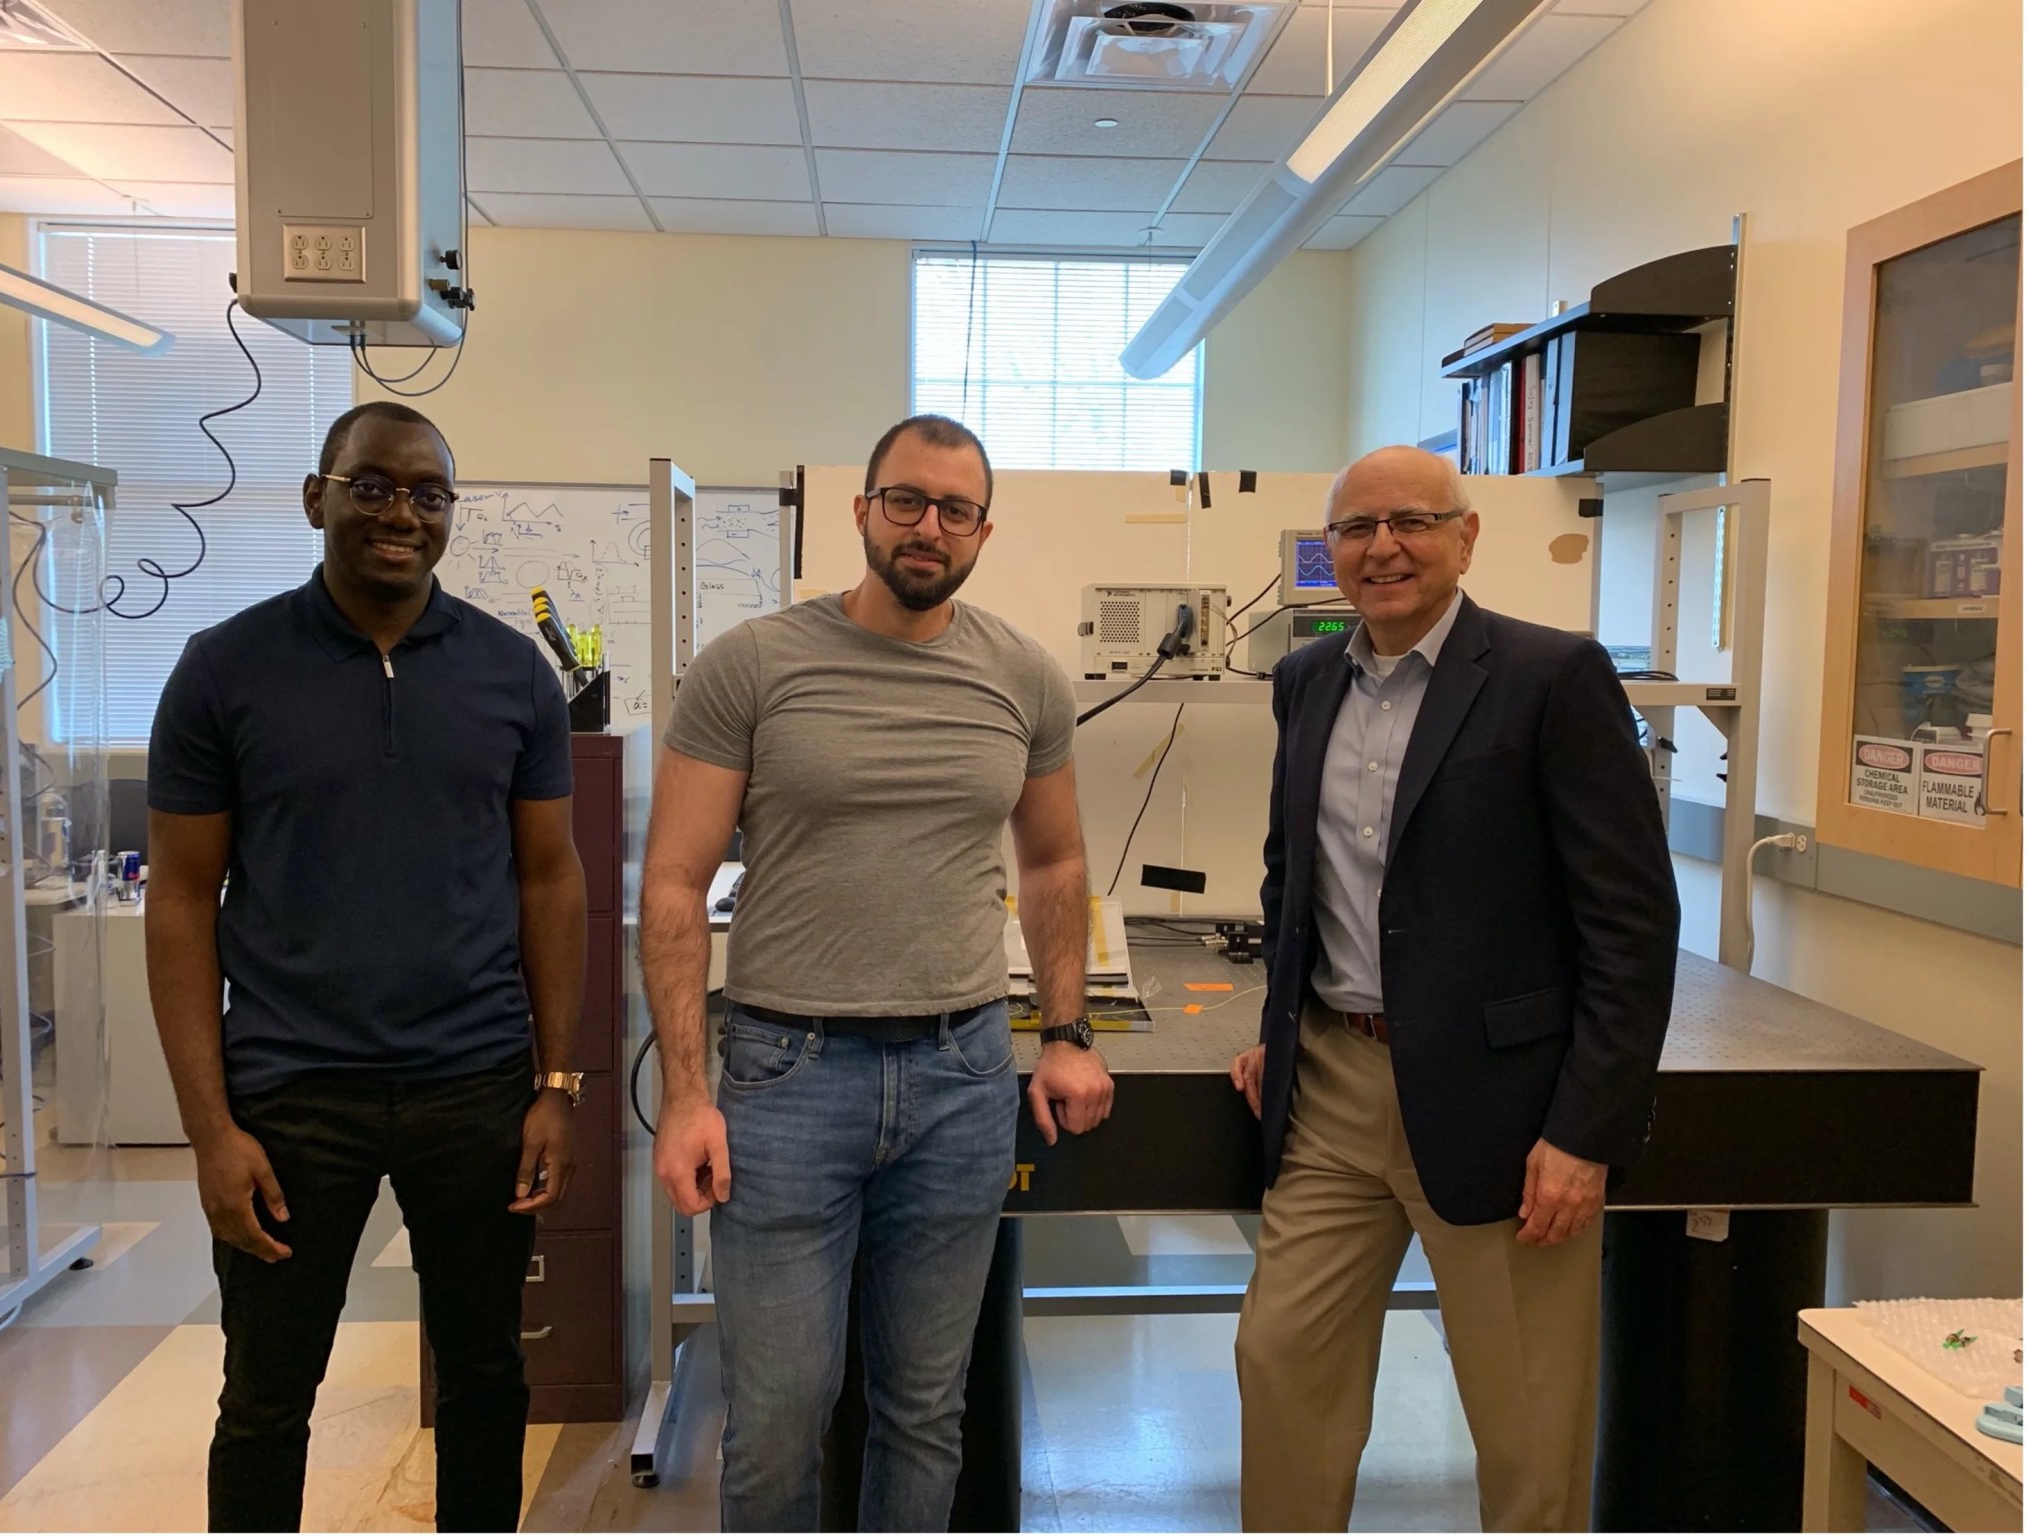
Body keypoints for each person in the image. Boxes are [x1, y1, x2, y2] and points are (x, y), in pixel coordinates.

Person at [641, 413, 1116, 1531]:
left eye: (954, 509)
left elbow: (1053, 862)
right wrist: (686, 1095)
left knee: (922, 1408)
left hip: (959, 1075)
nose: (927, 527)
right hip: (784, 1074)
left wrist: (1065, 1033)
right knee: (776, 1413)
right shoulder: (752, 665)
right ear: (860, 510)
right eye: (905, 500)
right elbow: (671, 883)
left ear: (982, 530)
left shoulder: (1024, 678)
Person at [146, 401, 588, 1533]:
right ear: (317, 496)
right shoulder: (223, 670)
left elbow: (550, 880)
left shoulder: (512, 676)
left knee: (487, 1382)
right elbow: (183, 901)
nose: (401, 513)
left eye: (427, 494)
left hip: (476, 1086)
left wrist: (554, 1084)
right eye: (373, 486)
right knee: (265, 1399)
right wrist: (211, 1130)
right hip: (295, 1096)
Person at [1229, 446, 1680, 1532]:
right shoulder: (1303, 681)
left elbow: (1629, 920)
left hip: (1503, 1106)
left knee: (1526, 1425)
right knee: (1279, 1362)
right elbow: (1294, 877)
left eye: (1411, 522)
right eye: (1354, 528)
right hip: (1334, 1085)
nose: (1381, 547)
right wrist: (1279, 1029)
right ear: (1326, 551)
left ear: (1465, 536)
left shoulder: (1550, 677)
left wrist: (1584, 1131)